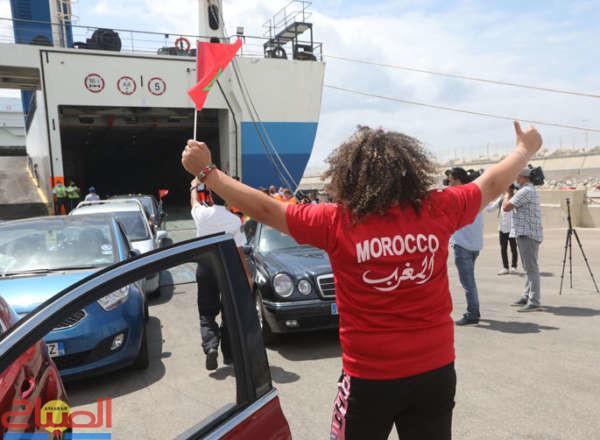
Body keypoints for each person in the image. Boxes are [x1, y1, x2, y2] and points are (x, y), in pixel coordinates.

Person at [181, 121, 542, 439]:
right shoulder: (440, 208)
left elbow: (265, 209)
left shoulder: (336, 221)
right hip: (435, 372)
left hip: (369, 380)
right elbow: (492, 183)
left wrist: (208, 172)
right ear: (411, 171)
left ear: (349, 176)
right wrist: (525, 149)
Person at [189, 177, 252, 371]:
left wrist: (193, 186)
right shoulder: (234, 220)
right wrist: (248, 276)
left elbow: (194, 201)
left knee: (206, 312)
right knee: (229, 311)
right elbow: (240, 252)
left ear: (209, 196)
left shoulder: (202, 215)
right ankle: (230, 355)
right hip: (227, 268)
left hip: (205, 268)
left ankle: (211, 346)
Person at [447, 168, 484, 326]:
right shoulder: (476, 194)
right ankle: (475, 310)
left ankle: (472, 313)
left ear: (457, 180)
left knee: (468, 282)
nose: (449, 183)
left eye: (450, 180)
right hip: (475, 245)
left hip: (463, 245)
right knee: (470, 280)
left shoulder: (456, 196)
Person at [503, 167, 544, 312]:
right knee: (529, 268)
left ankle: (534, 302)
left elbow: (506, 207)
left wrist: (508, 193)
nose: (516, 179)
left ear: (524, 177)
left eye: (517, 177)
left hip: (527, 235)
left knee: (531, 269)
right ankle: (527, 296)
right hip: (529, 234)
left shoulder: (525, 191)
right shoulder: (529, 190)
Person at [487, 185, 519, 275]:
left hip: (513, 228)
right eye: (509, 188)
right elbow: (491, 209)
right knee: (503, 248)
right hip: (502, 227)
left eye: (511, 188)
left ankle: (514, 267)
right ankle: (505, 267)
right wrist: (485, 201)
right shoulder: (501, 198)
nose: (510, 190)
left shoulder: (516, 198)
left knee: (513, 248)